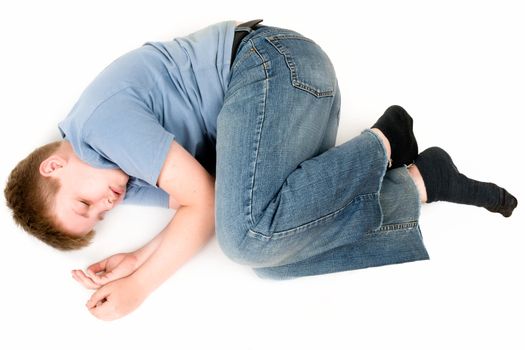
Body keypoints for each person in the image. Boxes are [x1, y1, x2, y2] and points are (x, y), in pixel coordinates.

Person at [4, 20, 518, 321]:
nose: (105, 207)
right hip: (283, 108)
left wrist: (140, 288)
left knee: (246, 240)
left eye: (84, 203)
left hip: (274, 66)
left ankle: (385, 141)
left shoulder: (100, 128)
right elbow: (198, 207)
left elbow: (202, 202)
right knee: (272, 258)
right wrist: (135, 259)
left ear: (55, 165)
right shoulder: (124, 176)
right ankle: (421, 181)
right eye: (96, 219)